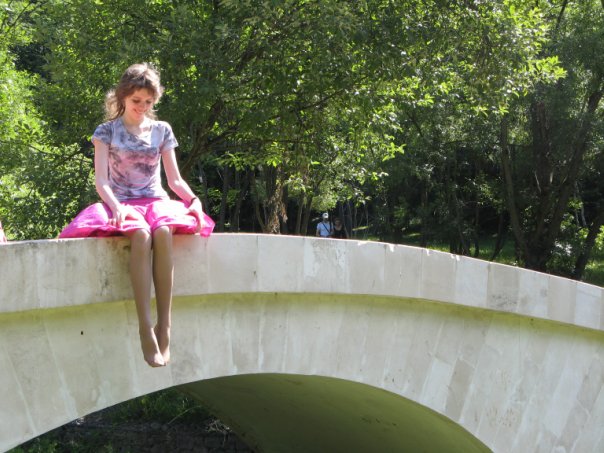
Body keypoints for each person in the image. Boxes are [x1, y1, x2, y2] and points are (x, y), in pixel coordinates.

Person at [60, 63, 214, 368]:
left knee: (163, 231)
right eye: (136, 101)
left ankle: (164, 326)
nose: (142, 107)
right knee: (142, 235)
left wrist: (194, 200)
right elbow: (101, 181)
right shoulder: (106, 131)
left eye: (148, 101)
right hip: (121, 201)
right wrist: (117, 207)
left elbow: (174, 180)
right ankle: (145, 328)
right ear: (122, 97)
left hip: (155, 200)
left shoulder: (162, 130)